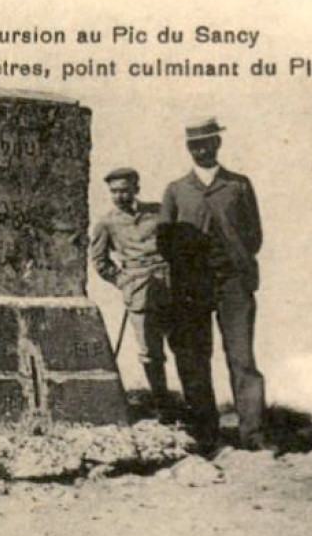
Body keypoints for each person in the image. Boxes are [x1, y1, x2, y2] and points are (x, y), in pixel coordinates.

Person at [88, 167, 219, 448]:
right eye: (114, 191)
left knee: (184, 350)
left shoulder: (158, 212)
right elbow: (99, 261)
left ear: (136, 187)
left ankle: (197, 414)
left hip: (171, 289)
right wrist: (122, 280)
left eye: (124, 189)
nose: (119, 195)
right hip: (139, 293)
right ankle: (164, 407)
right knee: (150, 354)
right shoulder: (106, 223)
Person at [160, 117, 267, 449]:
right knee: (195, 358)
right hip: (192, 289)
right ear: (187, 147)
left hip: (233, 284)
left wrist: (234, 259)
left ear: (218, 143)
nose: (200, 148)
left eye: (206, 142)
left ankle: (253, 435)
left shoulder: (239, 185)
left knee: (242, 358)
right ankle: (206, 434)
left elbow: (254, 235)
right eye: (194, 144)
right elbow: (164, 241)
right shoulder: (176, 190)